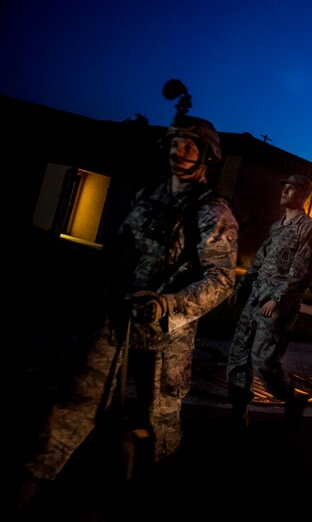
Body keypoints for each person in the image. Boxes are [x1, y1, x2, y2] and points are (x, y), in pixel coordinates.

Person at [15, 86, 239, 506]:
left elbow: (221, 279)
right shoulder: (148, 196)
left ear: (206, 155)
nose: (180, 150)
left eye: (190, 145)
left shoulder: (212, 212)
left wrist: (170, 303)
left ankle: (151, 499)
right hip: (116, 319)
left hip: (165, 337)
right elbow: (119, 251)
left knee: (158, 421)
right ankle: (31, 481)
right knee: (76, 400)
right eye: (175, 142)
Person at [225, 174, 312, 429]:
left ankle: (292, 399)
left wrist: (278, 300)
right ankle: (239, 412)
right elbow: (258, 262)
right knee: (239, 355)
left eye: (291, 188)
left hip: (276, 306)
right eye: (284, 187)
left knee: (262, 361)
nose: (285, 191)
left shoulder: (309, 229)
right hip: (255, 299)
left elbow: (300, 274)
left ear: (303, 195)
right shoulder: (275, 227)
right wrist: (241, 287)